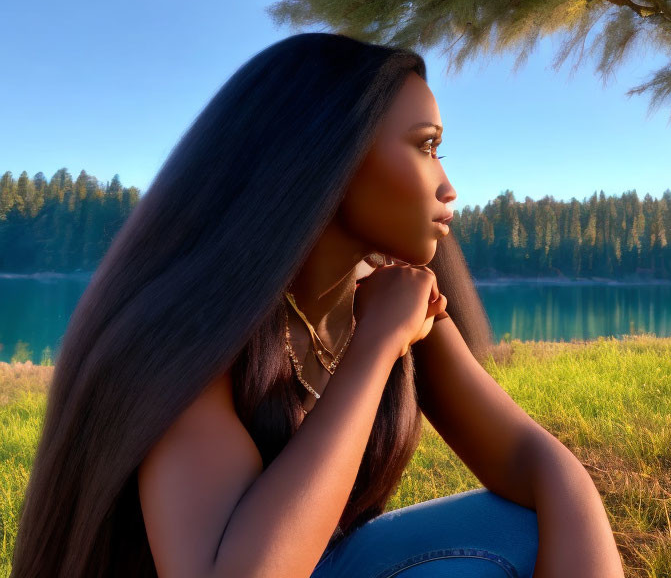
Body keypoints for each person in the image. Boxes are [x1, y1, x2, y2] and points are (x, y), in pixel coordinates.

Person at [11, 33, 625, 577]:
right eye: (426, 146)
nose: (447, 185)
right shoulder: (189, 335)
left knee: (532, 525)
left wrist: (392, 325)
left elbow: (533, 462)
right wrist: (377, 345)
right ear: (333, 155)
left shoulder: (394, 291)